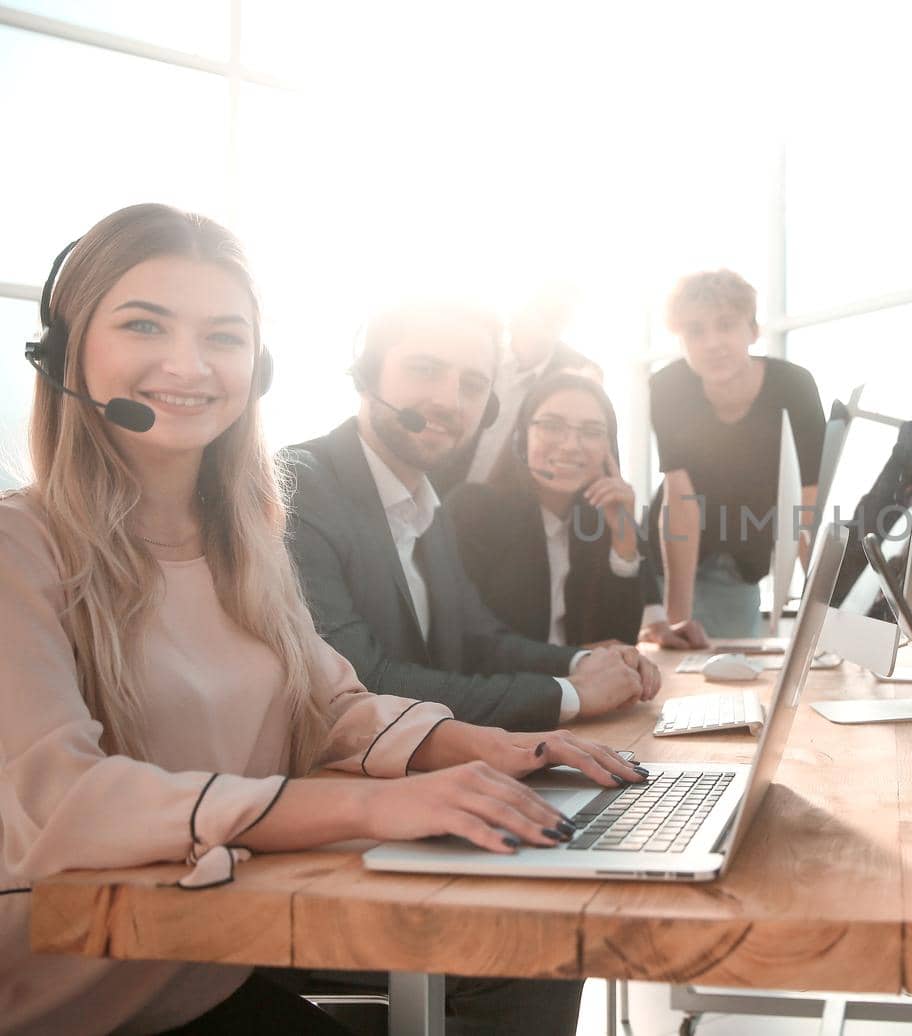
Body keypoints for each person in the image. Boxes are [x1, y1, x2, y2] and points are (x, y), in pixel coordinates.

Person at [0, 204, 646, 1035]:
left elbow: (332, 704)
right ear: (67, 351)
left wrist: (498, 748)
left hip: (207, 964)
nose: (188, 364)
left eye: (225, 337)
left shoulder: (245, 539)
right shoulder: (22, 544)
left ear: (258, 368)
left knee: (538, 931)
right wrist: (374, 808)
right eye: (144, 325)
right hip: (73, 997)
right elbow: (65, 801)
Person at [283, 299, 660, 737]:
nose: (449, 401)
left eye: (473, 384)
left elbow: (479, 640)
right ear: (367, 373)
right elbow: (365, 684)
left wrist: (584, 662)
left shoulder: (427, 506)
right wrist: (569, 694)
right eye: (425, 369)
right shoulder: (302, 486)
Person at [644, 269, 825, 643]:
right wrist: (676, 618)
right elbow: (680, 498)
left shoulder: (795, 387)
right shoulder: (668, 387)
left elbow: (806, 507)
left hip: (740, 568)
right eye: (695, 331)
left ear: (753, 330)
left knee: (739, 678)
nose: (712, 342)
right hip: (666, 564)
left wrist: (826, 612)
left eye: (726, 325)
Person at [447, 372, 646, 647]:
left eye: (591, 432)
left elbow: (618, 642)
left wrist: (624, 538)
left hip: (582, 688)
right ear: (521, 438)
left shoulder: (598, 522)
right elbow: (474, 644)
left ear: (608, 448)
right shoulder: (474, 510)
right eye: (552, 426)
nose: (570, 446)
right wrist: (572, 662)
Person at [430, 282, 602, 497]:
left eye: (561, 312)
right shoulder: (480, 354)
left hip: (512, 510)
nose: (555, 316)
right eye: (545, 306)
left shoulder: (578, 373)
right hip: (436, 493)